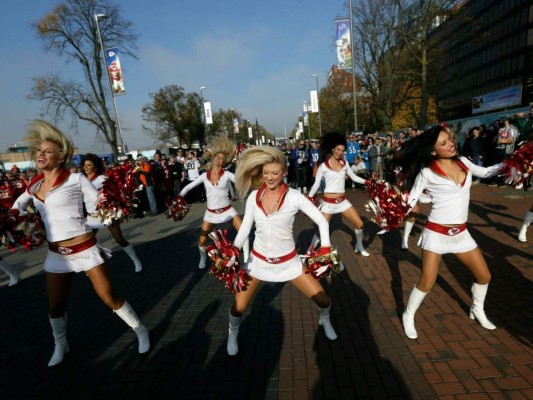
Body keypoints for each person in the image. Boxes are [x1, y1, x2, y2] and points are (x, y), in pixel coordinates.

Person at [12, 120, 150, 366]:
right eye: (39, 151)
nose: (40, 154)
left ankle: (140, 330)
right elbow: (17, 207)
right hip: (57, 254)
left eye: (47, 151)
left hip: (85, 249)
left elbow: (99, 209)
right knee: (55, 306)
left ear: (61, 157)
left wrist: (100, 220)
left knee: (109, 297)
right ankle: (61, 344)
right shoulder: (33, 186)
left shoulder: (76, 180)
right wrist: (19, 221)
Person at [225, 146, 337, 356]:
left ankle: (324, 319)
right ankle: (232, 331)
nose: (270, 177)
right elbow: (245, 229)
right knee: (238, 308)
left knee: (323, 299)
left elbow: (322, 221)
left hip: (289, 263)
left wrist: (325, 248)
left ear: (284, 172)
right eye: (266, 173)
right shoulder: (253, 197)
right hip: (257, 264)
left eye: (275, 173)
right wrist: (234, 250)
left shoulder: (295, 196)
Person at [394, 125, 502, 340]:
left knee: (484, 276)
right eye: (443, 143)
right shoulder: (427, 172)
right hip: (436, 234)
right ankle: (408, 315)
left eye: (450, 140)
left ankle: (477, 309)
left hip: (461, 234)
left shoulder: (464, 162)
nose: (451, 144)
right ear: (433, 151)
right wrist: (389, 206)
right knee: (427, 281)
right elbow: (411, 199)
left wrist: (516, 162)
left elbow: (489, 171)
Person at [178, 135, 249, 269]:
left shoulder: (227, 175)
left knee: (244, 232)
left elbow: (242, 181)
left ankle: (246, 258)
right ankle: (203, 258)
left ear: (224, 162)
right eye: (217, 156)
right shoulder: (204, 175)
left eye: (222, 158)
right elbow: (188, 187)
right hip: (210, 213)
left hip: (228, 210)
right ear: (213, 158)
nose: (219, 159)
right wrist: (179, 198)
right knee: (202, 239)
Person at [307, 132, 370, 256]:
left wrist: (368, 182)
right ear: (333, 149)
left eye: (342, 150)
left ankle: (359, 246)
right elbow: (316, 184)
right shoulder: (323, 166)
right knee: (322, 229)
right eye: (338, 149)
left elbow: (354, 177)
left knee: (360, 224)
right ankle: (310, 250)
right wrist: (309, 197)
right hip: (328, 204)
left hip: (342, 202)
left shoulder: (345, 163)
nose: (340, 152)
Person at [81, 153, 143, 273]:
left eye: (89, 165)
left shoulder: (101, 179)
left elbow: (117, 189)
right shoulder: (82, 180)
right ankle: (93, 268)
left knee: (119, 239)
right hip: (91, 217)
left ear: (96, 167)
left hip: (106, 214)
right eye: (84, 165)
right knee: (87, 243)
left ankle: (135, 260)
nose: (86, 167)